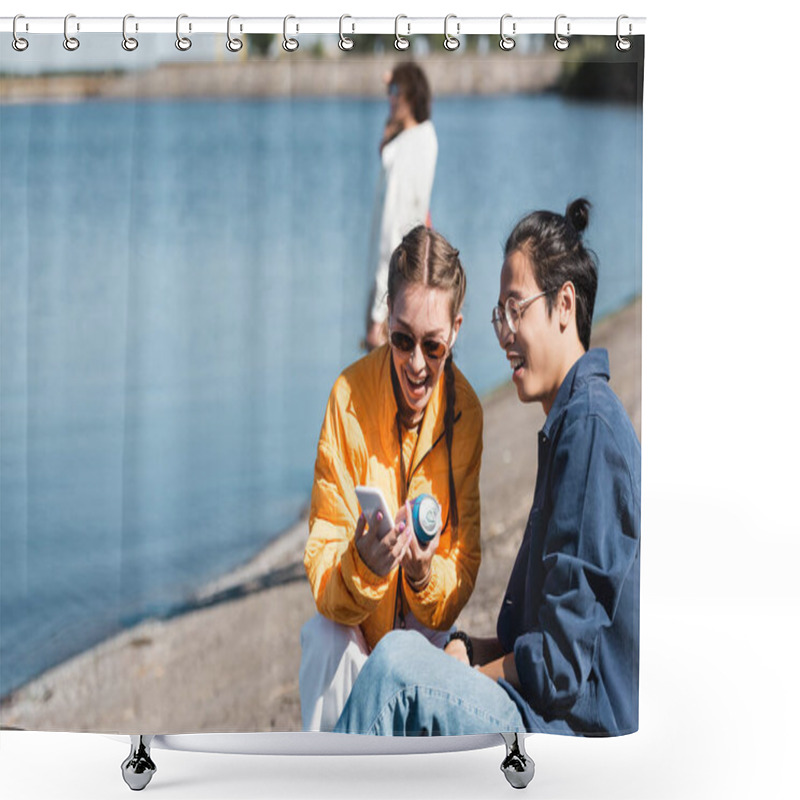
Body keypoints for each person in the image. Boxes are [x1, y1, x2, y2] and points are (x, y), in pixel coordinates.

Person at [334, 199, 641, 737]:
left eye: (515, 309)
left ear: (564, 305)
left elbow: (561, 666)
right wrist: (472, 648)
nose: (503, 332)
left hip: (575, 734)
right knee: (408, 649)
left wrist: (470, 668)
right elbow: (543, 634)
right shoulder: (571, 423)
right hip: (550, 712)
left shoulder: (590, 428)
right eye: (499, 313)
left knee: (397, 675)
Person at [299, 225, 483, 731]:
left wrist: (423, 575)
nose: (417, 364)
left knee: (415, 650)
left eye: (434, 346)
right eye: (402, 340)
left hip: (425, 635)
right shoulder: (349, 398)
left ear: (456, 331)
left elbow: (463, 565)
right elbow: (321, 563)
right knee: (323, 638)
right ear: (387, 315)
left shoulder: (465, 412)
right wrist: (364, 564)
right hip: (358, 629)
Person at [364, 63, 438, 351]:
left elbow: (391, 232)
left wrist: (377, 314)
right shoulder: (424, 139)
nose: (390, 98)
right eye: (388, 91)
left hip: (395, 288)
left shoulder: (409, 147)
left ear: (412, 95)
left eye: (396, 91)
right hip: (406, 279)